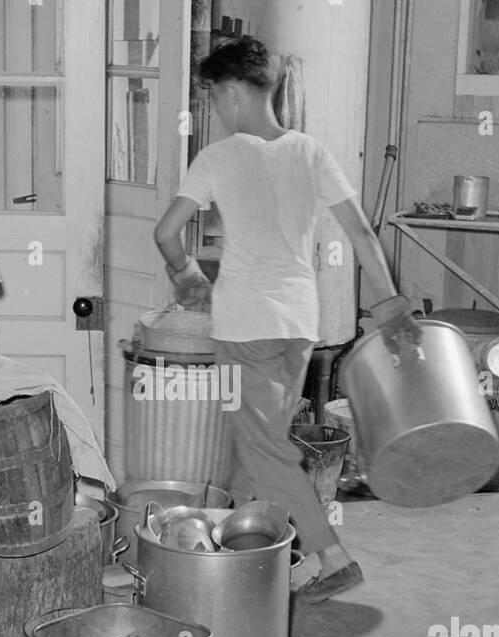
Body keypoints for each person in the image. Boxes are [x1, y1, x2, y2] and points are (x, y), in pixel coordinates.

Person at [154, 35, 422, 603]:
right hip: (299, 323)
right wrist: (389, 302)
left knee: (261, 448)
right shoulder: (312, 152)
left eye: (213, 100)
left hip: (244, 326)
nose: (215, 112)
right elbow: (361, 235)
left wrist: (187, 276)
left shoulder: (217, 159)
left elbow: (165, 232)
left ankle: (332, 555)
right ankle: (245, 556)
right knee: (266, 443)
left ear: (230, 95)